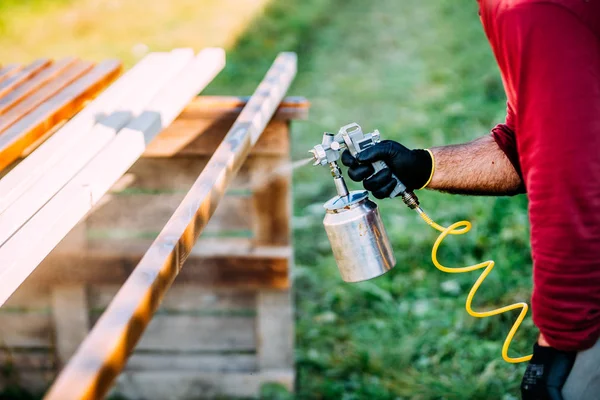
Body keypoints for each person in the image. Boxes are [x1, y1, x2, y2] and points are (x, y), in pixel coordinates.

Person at [341, 1, 600, 399]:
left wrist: (563, 338)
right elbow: (529, 141)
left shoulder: (532, 8)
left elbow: (570, 174)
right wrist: (422, 167)